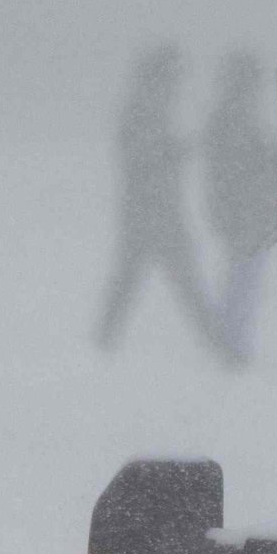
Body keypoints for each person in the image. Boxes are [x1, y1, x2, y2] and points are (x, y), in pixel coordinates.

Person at [91, 44, 209, 354]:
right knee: (181, 281)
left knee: (135, 280)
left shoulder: (148, 107)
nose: (176, 85)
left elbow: (148, 155)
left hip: (151, 210)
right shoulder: (142, 109)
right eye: (172, 76)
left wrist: (178, 149)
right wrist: (179, 150)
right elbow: (142, 157)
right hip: (151, 211)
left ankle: (102, 344)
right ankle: (219, 349)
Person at [195, 47, 277, 371]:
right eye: (251, 82)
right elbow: (237, 167)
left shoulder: (233, 117)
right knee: (242, 279)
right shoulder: (229, 118)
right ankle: (231, 345)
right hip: (242, 212)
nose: (255, 90)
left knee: (243, 278)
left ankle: (231, 341)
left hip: (247, 211)